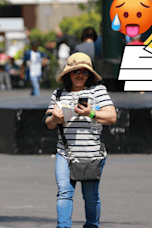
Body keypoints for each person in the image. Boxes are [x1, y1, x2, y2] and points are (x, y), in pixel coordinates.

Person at [44, 52, 117, 228]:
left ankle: (92, 226)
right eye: (76, 71)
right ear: (69, 73)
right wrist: (54, 118)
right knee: (64, 193)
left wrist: (91, 113)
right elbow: (47, 122)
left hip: (91, 154)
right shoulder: (59, 94)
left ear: (90, 75)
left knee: (91, 196)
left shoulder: (98, 91)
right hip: (65, 153)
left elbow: (112, 117)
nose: (80, 75)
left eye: (85, 72)